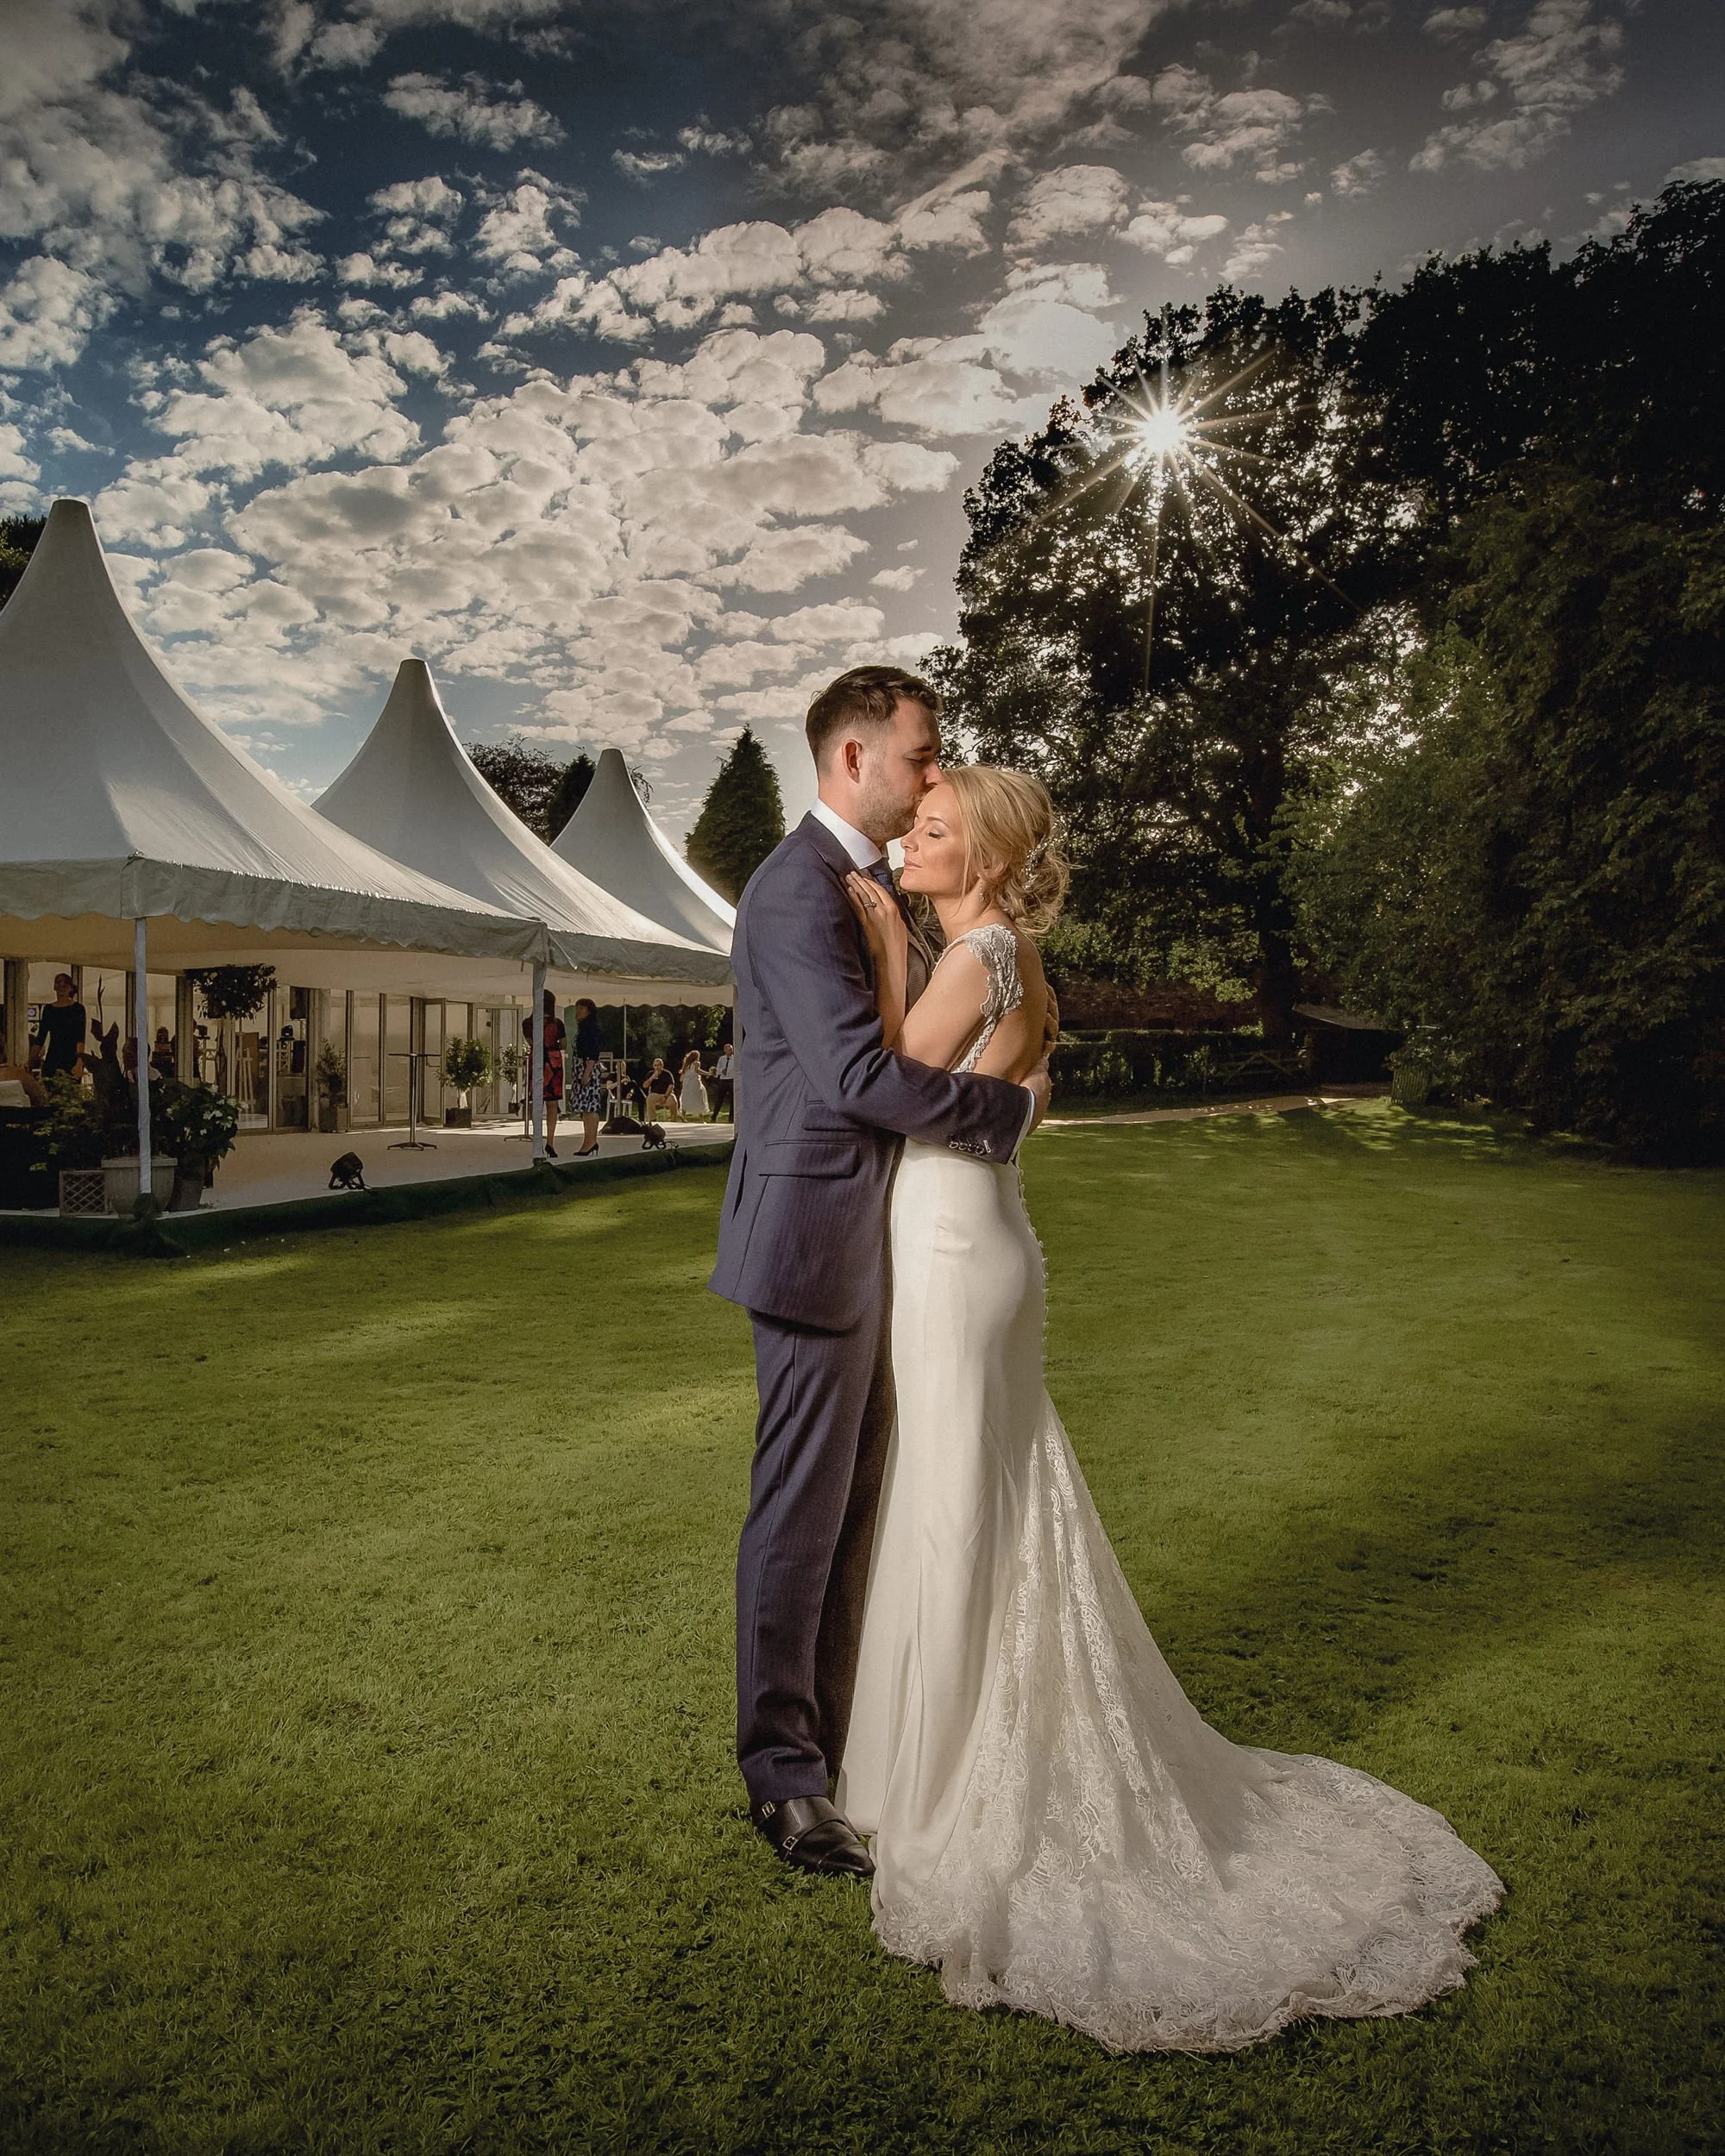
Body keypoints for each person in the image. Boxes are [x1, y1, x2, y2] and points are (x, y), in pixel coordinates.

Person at [831, 762, 1502, 2053]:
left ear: (979, 855)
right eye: (911, 830)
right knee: (977, 1488)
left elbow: (886, 1077)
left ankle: (951, 1784)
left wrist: (877, 949)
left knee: (962, 1498)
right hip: (973, 1237)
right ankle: (927, 1761)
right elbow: (998, 1106)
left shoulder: (975, 954)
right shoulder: (1017, 953)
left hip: (960, 1252)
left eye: (927, 834)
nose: (906, 846)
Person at [709, 665, 1048, 1884]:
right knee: (801, 1511)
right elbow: (859, 1075)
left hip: (877, 1234)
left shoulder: (865, 893)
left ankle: (845, 1743)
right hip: (811, 1238)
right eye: (920, 756)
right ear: (855, 759)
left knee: (859, 1507)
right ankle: (783, 1779)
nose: (929, 775)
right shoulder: (797, 889)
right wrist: (1004, 1113)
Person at [522, 993, 567, 1156]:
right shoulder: (558, 1023)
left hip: (539, 1061)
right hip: (554, 1063)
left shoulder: (528, 1023)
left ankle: (538, 1140)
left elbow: (531, 1042)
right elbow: (564, 1044)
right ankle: (551, 1141)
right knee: (553, 1105)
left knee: (537, 1102)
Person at [568, 999, 605, 1157]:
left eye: (581, 1008)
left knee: (590, 1107)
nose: (578, 1011)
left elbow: (593, 1052)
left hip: (586, 1068)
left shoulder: (590, 1029)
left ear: (589, 1011)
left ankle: (591, 1141)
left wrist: (587, 1073)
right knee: (586, 1108)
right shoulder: (583, 1028)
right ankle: (588, 1140)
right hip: (581, 1068)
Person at [31, 975, 86, 1080]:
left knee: (69, 1092)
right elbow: (41, 1037)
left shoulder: (78, 1009)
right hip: (52, 1059)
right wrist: (31, 1060)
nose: (61, 985)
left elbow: (80, 1038)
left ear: (70, 988)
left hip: (71, 1060)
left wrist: (80, 1063)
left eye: (65, 983)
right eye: (58, 982)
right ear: (54, 987)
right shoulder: (48, 1009)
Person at [678, 1049, 710, 1121]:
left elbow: (683, 1072)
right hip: (694, 1081)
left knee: (686, 1097)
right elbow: (697, 1070)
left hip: (687, 1082)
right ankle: (701, 1118)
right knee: (699, 1097)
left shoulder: (686, 1064)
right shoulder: (697, 1063)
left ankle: (683, 1114)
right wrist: (708, 1073)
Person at [643, 1057, 678, 1121]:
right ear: (653, 1066)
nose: (657, 1067)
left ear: (662, 1065)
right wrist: (652, 1078)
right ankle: (653, 1119)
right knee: (649, 1098)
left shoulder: (667, 1074)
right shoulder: (650, 1074)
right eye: (655, 1065)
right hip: (655, 1095)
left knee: (673, 1100)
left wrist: (665, 1096)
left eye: (659, 1065)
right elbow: (645, 1086)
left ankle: (673, 1119)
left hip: (667, 1094)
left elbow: (671, 1086)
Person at [710, 1041, 736, 1123]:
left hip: (731, 1079)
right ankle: (714, 1116)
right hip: (723, 1080)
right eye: (728, 1050)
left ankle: (731, 1118)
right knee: (719, 1099)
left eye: (731, 1050)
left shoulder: (735, 1059)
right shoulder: (722, 1059)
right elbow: (718, 1069)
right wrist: (722, 1071)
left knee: (733, 1100)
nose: (730, 1051)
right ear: (725, 1050)